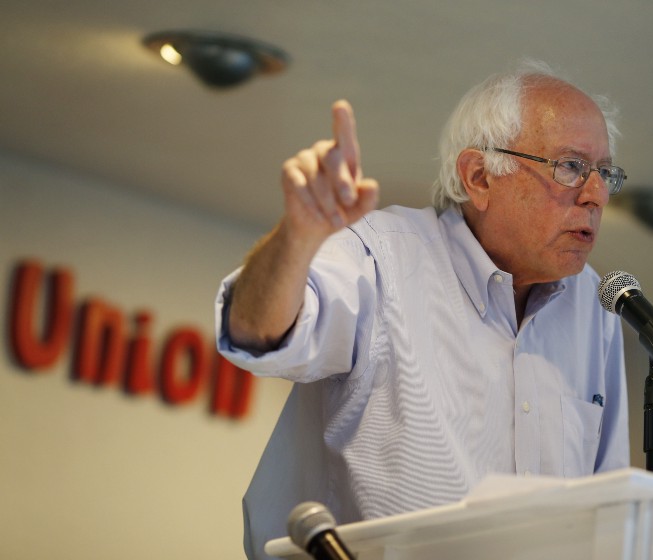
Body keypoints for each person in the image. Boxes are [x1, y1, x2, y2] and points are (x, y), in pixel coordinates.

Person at [215, 59, 630, 559]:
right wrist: (296, 238)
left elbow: (610, 511)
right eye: (570, 167)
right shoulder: (379, 255)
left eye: (605, 173)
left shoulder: (598, 306)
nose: (596, 195)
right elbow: (255, 331)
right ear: (479, 177)